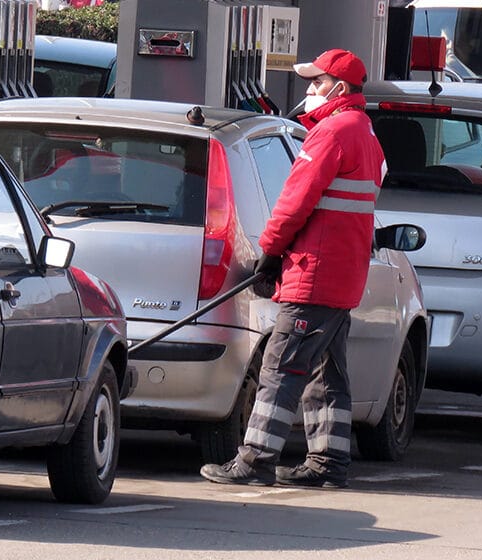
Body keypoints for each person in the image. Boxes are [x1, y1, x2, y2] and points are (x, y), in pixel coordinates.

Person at [199, 49, 385, 488]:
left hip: (314, 272)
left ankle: (255, 460)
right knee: (328, 372)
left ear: (340, 89)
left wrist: (269, 251)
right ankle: (328, 462)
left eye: (318, 82)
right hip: (342, 275)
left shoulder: (331, 134)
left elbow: (294, 201)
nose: (310, 90)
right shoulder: (366, 134)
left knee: (280, 367)